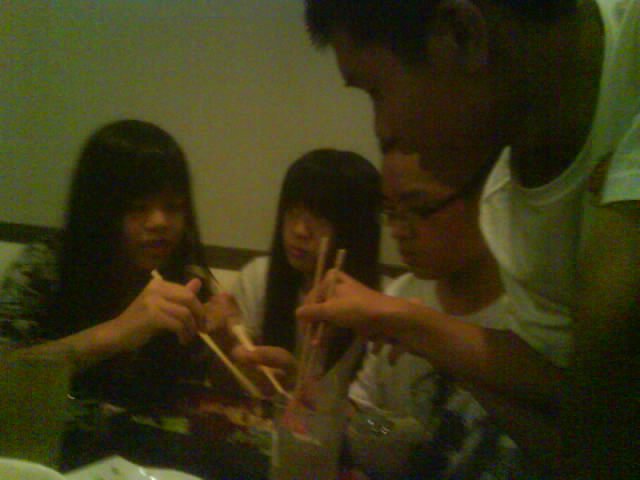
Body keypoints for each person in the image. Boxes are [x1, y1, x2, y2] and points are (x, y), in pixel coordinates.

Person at [300, 1, 639, 478]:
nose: (382, 129)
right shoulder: (509, 207)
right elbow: (585, 428)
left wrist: (408, 326)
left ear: (462, 34)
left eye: (376, 90)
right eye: (390, 211)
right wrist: (399, 326)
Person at [0, 119, 211, 407]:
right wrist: (117, 332)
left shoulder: (188, 277)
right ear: (97, 209)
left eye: (173, 206)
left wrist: (228, 346)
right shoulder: (47, 265)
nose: (159, 222)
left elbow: (197, 397)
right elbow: (6, 372)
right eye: (137, 207)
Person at [347, 150, 522, 479]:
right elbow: (365, 413)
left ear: (489, 196)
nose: (398, 230)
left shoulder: (529, 316)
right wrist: (312, 396)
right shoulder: (400, 295)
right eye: (390, 212)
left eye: (420, 208)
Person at [223, 148, 381, 395]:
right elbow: (233, 383)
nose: (299, 230)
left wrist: (297, 383)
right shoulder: (258, 278)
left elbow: (365, 407)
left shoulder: (379, 303)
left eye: (320, 218)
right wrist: (229, 347)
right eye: (293, 212)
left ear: (355, 228)